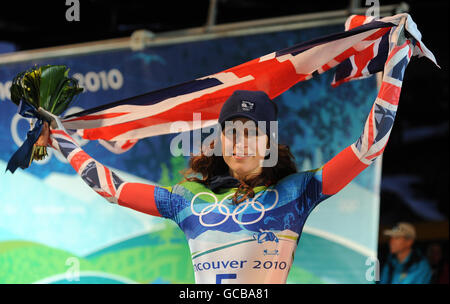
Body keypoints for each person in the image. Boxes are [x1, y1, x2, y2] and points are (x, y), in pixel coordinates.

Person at [37, 35, 413, 284]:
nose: (241, 143)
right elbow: (113, 188)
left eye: (252, 132)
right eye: (231, 134)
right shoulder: (185, 198)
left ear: (270, 141)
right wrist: (61, 139)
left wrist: (395, 67)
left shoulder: (299, 191)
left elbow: (369, 147)